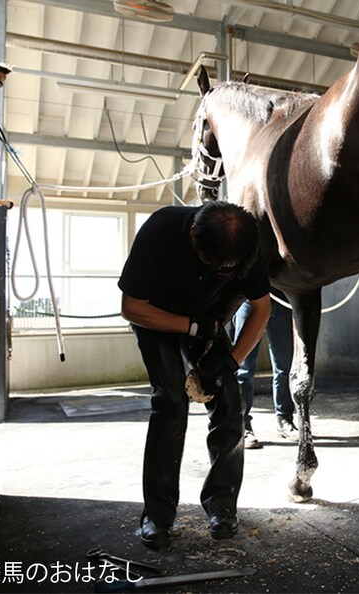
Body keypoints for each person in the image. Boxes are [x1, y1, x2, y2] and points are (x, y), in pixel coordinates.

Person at [118, 200, 271, 549]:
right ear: (193, 237)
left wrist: (231, 362)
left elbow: (262, 308)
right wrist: (189, 326)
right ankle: (157, 516)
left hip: (206, 318)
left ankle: (222, 505)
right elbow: (131, 308)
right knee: (171, 399)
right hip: (155, 318)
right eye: (212, 263)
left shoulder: (245, 242)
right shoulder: (160, 231)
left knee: (229, 400)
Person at [232, 289, 298, 449]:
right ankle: (242, 424)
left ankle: (285, 419)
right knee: (243, 368)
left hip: (281, 300)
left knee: (285, 366)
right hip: (250, 301)